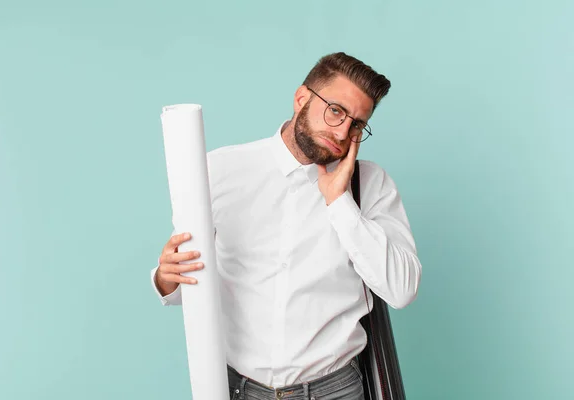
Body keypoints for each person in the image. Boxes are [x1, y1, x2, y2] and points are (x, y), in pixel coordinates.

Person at [151, 52, 422, 400]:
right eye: (336, 110)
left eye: (356, 124)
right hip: (238, 389)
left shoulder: (370, 185)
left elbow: (402, 290)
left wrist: (339, 203)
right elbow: (189, 277)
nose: (342, 132)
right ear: (301, 98)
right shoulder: (218, 170)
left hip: (335, 390)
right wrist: (165, 279)